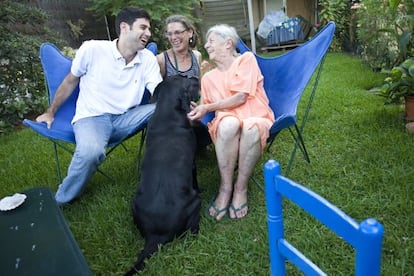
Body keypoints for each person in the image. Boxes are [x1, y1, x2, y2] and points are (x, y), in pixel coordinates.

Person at [35, 7, 163, 205]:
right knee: (91, 152)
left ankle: (163, 173)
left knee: (167, 107)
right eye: (143, 27)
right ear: (124, 27)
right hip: (93, 118)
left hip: (128, 118)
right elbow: (70, 81)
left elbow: (159, 90)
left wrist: (180, 101)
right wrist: (50, 112)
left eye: (149, 29)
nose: (148, 33)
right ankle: (60, 200)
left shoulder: (146, 58)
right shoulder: (93, 49)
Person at [187, 24, 275, 220]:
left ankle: (240, 188)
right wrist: (195, 113)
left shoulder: (246, 59)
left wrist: (207, 108)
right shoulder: (208, 77)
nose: (206, 46)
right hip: (227, 121)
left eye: (211, 41)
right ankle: (225, 188)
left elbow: (241, 98)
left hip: (256, 115)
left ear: (228, 44)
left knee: (251, 127)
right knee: (228, 124)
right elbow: (204, 109)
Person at [156, 14, 211, 152]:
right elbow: (157, 95)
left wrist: (201, 105)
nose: (173, 37)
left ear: (190, 33)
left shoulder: (196, 56)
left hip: (195, 109)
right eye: (169, 34)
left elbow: (200, 87)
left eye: (177, 32)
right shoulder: (162, 60)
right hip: (173, 111)